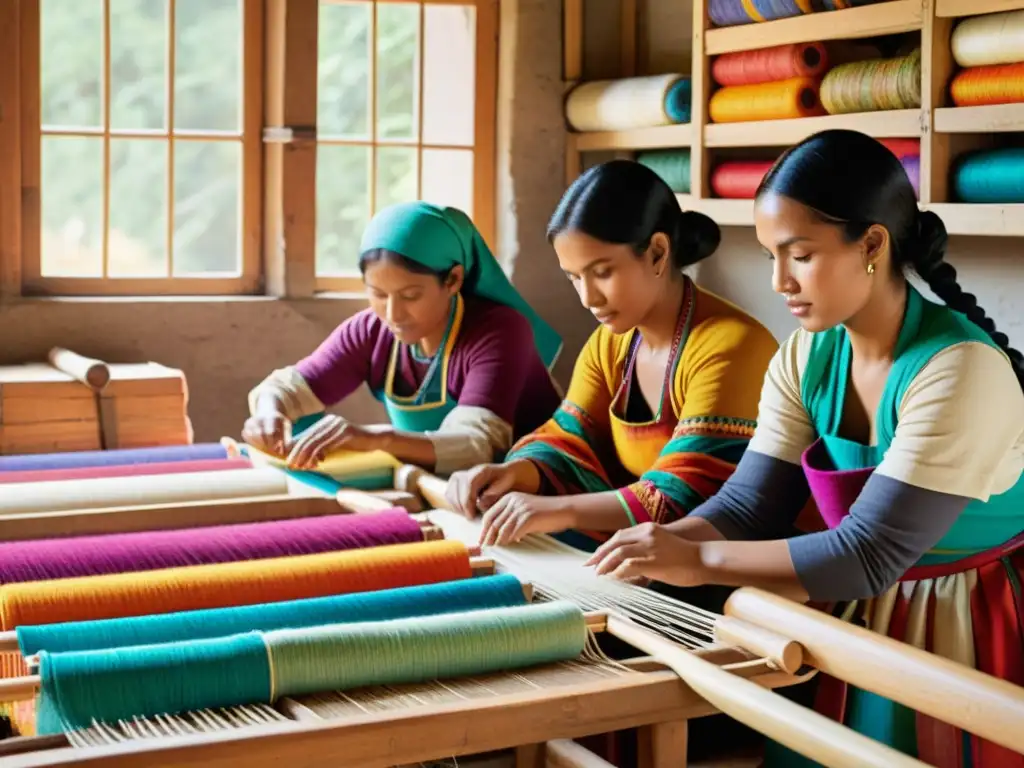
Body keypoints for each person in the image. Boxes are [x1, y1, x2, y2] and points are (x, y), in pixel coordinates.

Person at [586, 130, 1024, 767]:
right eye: (770, 256)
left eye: (799, 255)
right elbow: (751, 503)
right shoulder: (809, 353)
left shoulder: (958, 369)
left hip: (971, 620)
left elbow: (871, 553)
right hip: (854, 609)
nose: (779, 281)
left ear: (872, 243)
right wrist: (664, 545)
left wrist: (697, 558)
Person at [445, 159, 779, 553]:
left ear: (657, 252)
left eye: (602, 272)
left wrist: (560, 510)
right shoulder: (610, 344)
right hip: (661, 553)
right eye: (574, 277)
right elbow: (568, 438)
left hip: (743, 564)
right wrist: (512, 473)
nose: (588, 298)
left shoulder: (732, 346)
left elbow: (686, 493)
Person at [243, 201, 563, 477]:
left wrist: (376, 439)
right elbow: (288, 388)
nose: (393, 313)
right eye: (378, 294)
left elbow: (475, 446)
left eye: (410, 295)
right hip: (451, 491)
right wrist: (270, 413)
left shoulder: (499, 331)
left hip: (535, 493)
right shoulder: (372, 330)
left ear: (453, 280)